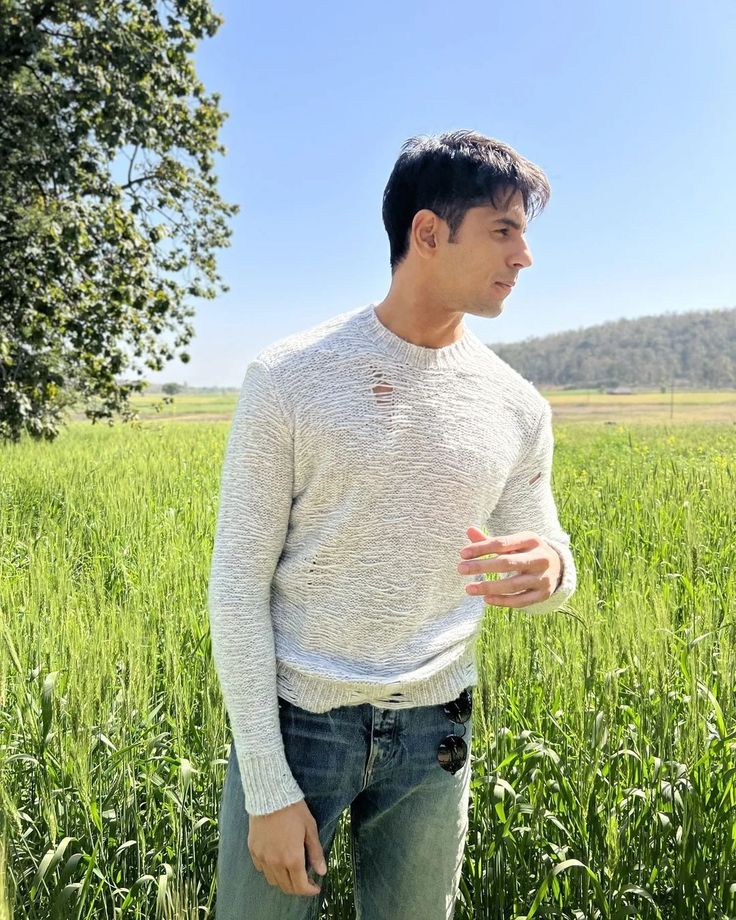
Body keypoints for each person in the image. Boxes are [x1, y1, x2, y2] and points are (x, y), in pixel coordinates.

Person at [208, 128, 577, 920]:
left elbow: (546, 546)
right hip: (299, 727)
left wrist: (549, 569)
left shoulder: (517, 405)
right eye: (503, 230)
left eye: (526, 234)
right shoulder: (289, 379)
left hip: (436, 738)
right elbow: (237, 586)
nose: (525, 258)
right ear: (427, 232)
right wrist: (269, 786)